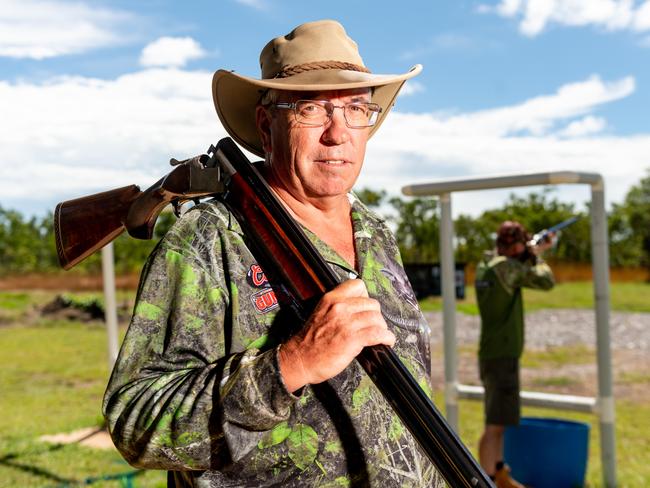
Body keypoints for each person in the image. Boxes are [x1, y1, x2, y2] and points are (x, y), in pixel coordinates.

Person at [103, 20, 444, 487]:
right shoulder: (208, 240)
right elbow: (136, 422)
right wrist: (292, 363)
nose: (337, 133)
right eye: (311, 110)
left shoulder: (375, 232)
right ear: (267, 124)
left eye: (355, 109)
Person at [475, 221, 555, 488]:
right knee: (495, 424)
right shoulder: (507, 267)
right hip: (502, 355)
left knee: (498, 421)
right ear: (517, 245)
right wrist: (537, 254)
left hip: (493, 352)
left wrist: (528, 252)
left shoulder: (487, 265)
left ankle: (499, 473)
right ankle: (487, 480)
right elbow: (546, 280)